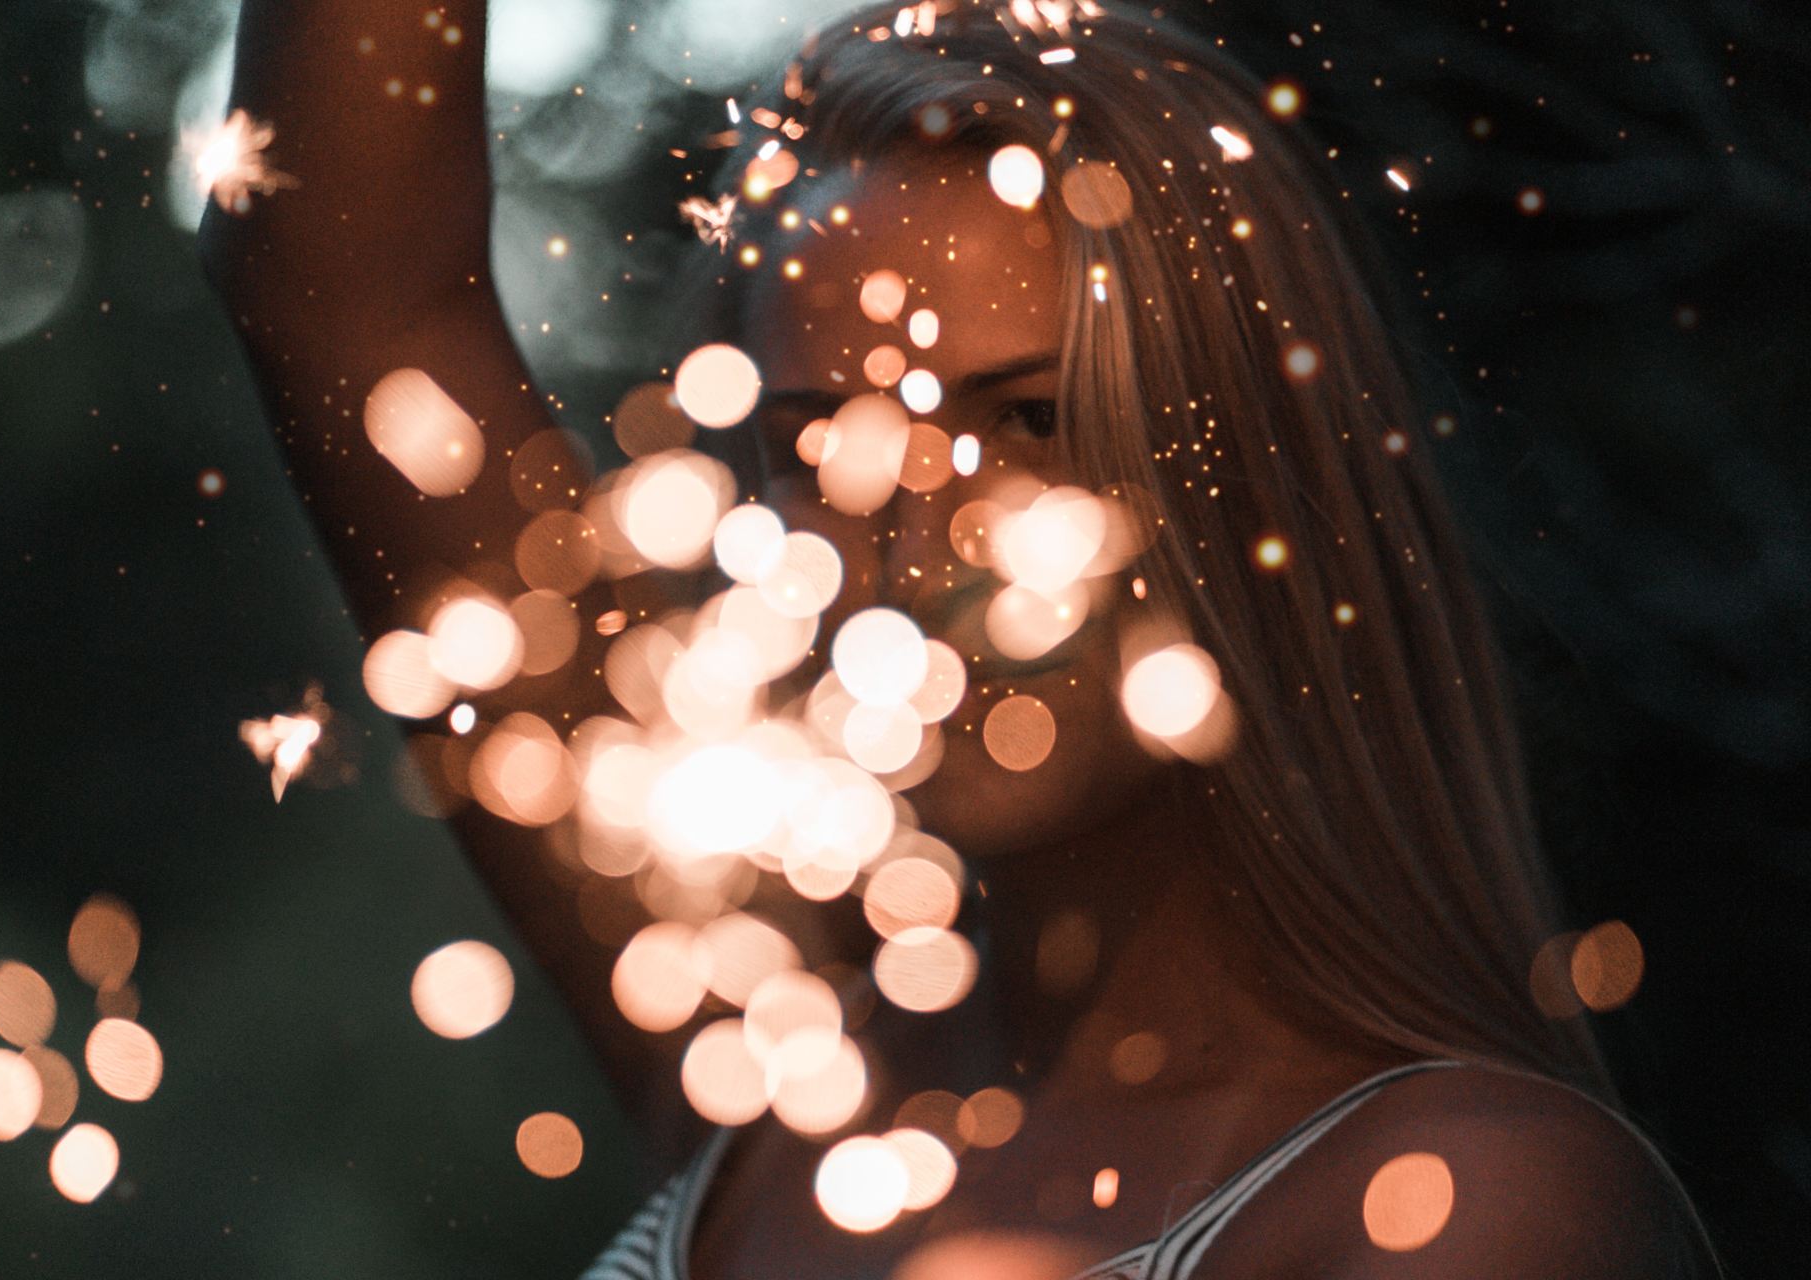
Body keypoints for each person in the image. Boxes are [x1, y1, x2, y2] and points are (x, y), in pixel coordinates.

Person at [200, 1, 1719, 1275]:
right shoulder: (771, 1028)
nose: (909, 544)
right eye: (817, 447)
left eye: (1027, 420)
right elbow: (337, 281)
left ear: (1247, 474)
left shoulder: (1472, 1205)